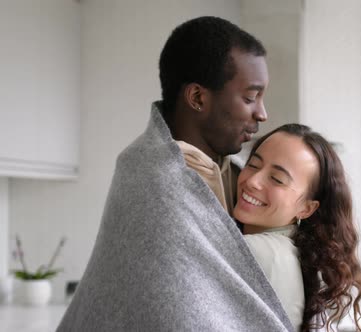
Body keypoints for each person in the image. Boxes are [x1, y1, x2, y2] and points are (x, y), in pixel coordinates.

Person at [57, 16, 295, 332]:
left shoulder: (235, 175)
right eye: (250, 98)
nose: (262, 113)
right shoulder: (152, 180)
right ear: (198, 98)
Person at [233, 124, 361, 332]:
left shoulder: (260, 252)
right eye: (253, 165)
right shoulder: (298, 251)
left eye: (277, 179)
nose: (253, 181)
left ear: (307, 208)